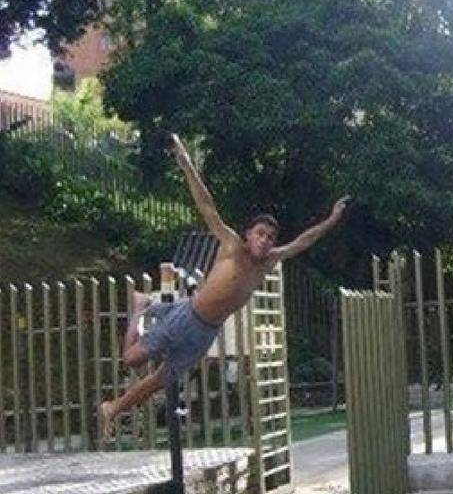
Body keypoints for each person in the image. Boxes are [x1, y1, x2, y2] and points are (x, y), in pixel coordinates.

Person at [99, 134, 349, 440]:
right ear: (247, 234)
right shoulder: (231, 245)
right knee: (131, 360)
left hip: (206, 332)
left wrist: (333, 218)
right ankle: (138, 309)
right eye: (260, 233)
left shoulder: (269, 261)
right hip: (187, 316)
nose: (265, 240)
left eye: (270, 236)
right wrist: (185, 160)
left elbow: (303, 241)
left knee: (161, 380)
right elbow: (206, 205)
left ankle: (113, 408)